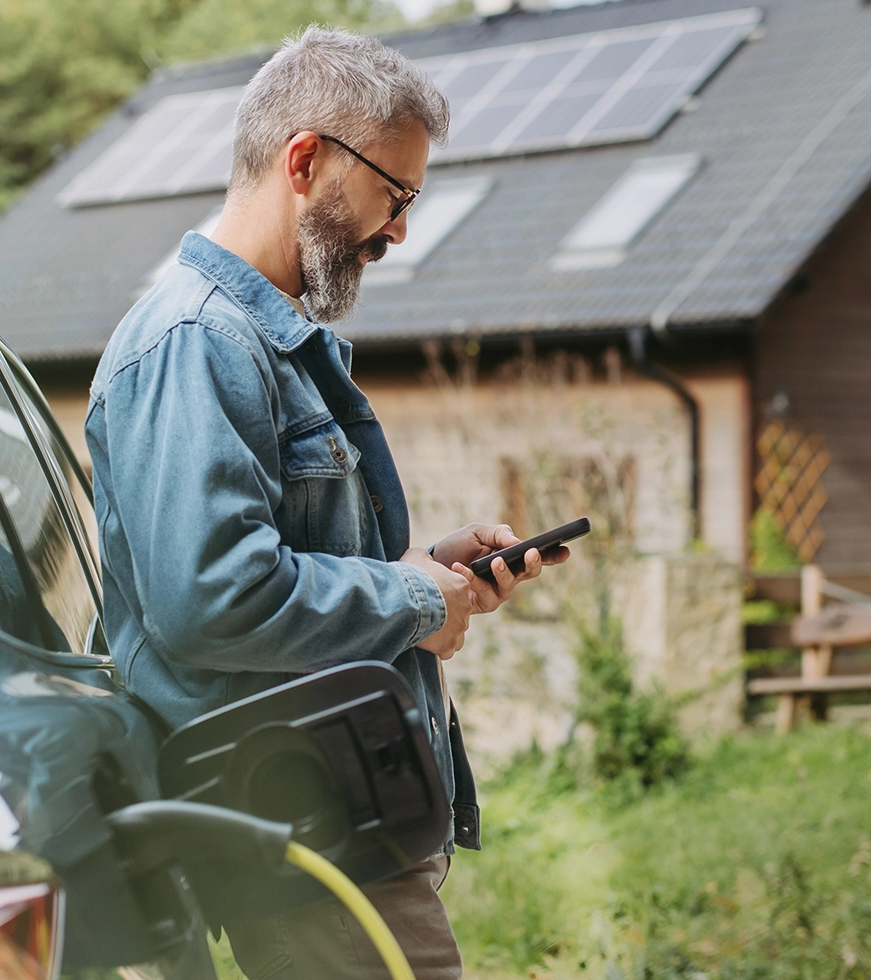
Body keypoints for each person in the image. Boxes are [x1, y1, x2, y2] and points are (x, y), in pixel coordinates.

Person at [85, 26, 559, 980]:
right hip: (298, 840)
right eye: (394, 193)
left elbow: (280, 562)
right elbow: (213, 598)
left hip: (338, 825)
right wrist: (415, 599)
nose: (400, 230)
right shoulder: (196, 343)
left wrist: (426, 571)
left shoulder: (259, 342)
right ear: (305, 161)